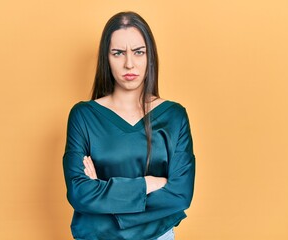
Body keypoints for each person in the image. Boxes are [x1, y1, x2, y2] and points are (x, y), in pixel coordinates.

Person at [63, 11, 195, 240]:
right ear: (107, 58)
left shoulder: (174, 116)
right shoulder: (83, 116)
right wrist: (147, 184)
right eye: (118, 53)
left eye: (138, 52)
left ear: (149, 57)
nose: (129, 63)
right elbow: (79, 193)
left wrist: (103, 195)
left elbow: (180, 195)